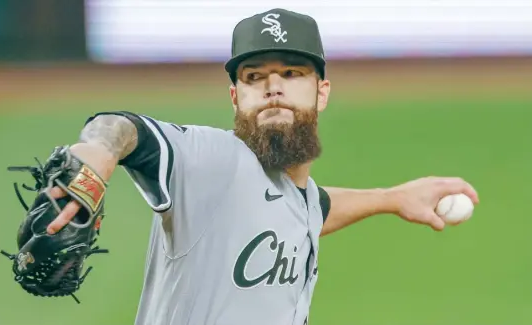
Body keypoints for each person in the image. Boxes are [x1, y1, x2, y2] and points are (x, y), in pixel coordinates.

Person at [45, 8, 479, 325]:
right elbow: (121, 128)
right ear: (236, 97)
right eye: (254, 77)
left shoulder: (296, 193)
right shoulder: (211, 162)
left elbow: (312, 208)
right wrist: (100, 157)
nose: (273, 87)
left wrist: (393, 198)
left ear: (321, 92)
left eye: (292, 73)